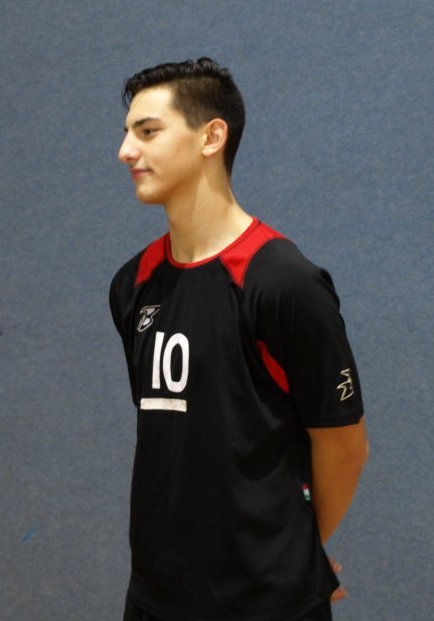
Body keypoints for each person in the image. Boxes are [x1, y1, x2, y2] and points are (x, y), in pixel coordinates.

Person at [109, 58, 369, 621]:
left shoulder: (284, 283)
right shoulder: (132, 284)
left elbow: (344, 448)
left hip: (267, 605)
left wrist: (296, 556)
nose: (126, 151)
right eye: (127, 133)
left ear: (212, 137)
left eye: (147, 131)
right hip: (153, 600)